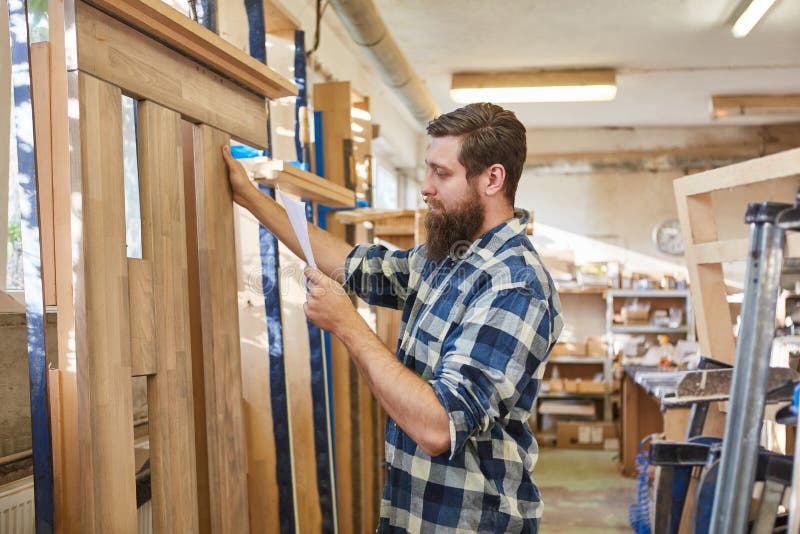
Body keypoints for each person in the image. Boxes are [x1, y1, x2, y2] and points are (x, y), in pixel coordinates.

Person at [222, 102, 563, 533]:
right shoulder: (449, 258)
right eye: (427, 170)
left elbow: (440, 425)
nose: (425, 187)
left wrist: (347, 325)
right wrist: (251, 199)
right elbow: (350, 264)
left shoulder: (515, 286)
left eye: (442, 173)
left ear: (492, 178)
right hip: (412, 514)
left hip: (470, 523)